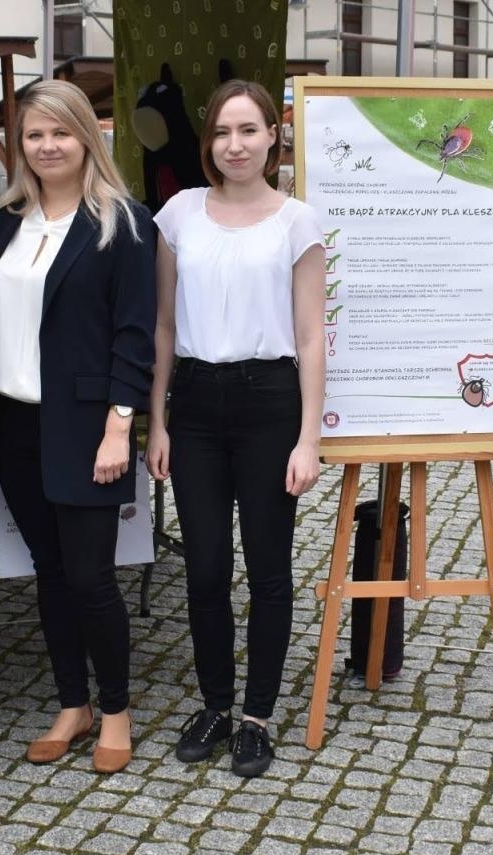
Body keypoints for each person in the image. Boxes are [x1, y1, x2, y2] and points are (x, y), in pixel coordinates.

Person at [147, 79, 326, 778]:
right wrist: (156, 422)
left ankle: (257, 716)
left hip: (268, 403)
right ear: (208, 142)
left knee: (269, 568)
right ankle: (215, 703)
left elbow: (311, 336)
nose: (235, 145)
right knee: (205, 567)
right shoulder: (179, 215)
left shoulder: (296, 222)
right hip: (193, 404)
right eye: (223, 132)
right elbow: (163, 326)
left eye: (249, 130)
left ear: (273, 138)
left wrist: (308, 438)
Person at [0, 79, 155, 775]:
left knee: (90, 578)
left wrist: (120, 428)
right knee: (49, 574)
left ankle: (115, 711)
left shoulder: (124, 223)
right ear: (19, 145)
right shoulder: (1, 222)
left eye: (62, 132)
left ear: (88, 137)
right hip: (13, 423)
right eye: (34, 134)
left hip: (86, 428)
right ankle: (72, 703)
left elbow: (134, 336)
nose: (47, 146)